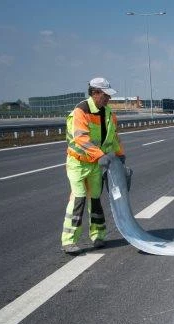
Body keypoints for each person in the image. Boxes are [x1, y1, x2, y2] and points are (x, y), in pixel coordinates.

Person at [61, 77, 125, 254]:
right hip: (78, 163)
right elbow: (81, 138)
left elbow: (112, 137)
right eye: (105, 95)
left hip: (96, 164)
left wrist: (120, 154)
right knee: (79, 198)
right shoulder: (80, 112)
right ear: (95, 93)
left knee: (95, 200)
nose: (108, 99)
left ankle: (98, 235)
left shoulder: (108, 113)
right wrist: (100, 155)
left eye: (108, 96)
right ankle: (68, 241)